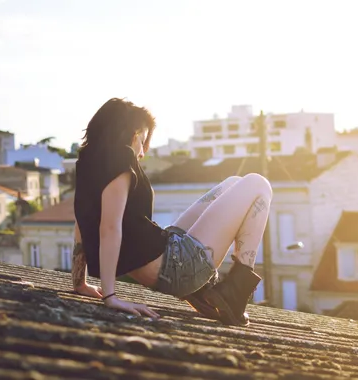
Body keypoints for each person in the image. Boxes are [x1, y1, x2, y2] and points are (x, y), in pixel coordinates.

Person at [71, 98, 272, 326]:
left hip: (169, 253)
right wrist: (110, 297)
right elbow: (109, 227)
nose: (142, 153)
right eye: (143, 142)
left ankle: (204, 289)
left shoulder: (87, 163)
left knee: (233, 183)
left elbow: (82, 223)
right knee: (259, 184)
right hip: (178, 268)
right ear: (134, 135)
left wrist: (79, 283)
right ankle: (235, 292)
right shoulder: (121, 158)